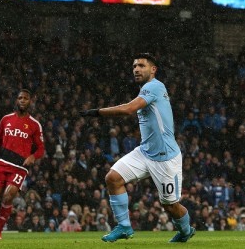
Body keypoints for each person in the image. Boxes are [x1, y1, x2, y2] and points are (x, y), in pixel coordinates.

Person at [80, 53, 195, 243]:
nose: (136, 69)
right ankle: (124, 226)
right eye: (134, 66)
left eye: (141, 65)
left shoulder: (155, 87)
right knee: (113, 178)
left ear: (153, 69)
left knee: (170, 205)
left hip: (165, 157)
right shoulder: (146, 90)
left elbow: (128, 109)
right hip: (145, 152)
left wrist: (97, 113)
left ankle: (185, 230)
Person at [0, 89, 45, 239]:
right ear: (16, 100)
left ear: (30, 101)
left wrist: (33, 156)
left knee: (8, 196)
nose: (23, 100)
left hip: (19, 167)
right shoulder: (5, 119)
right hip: (2, 162)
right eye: (20, 98)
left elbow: (41, 148)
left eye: (25, 98)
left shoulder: (34, 125)